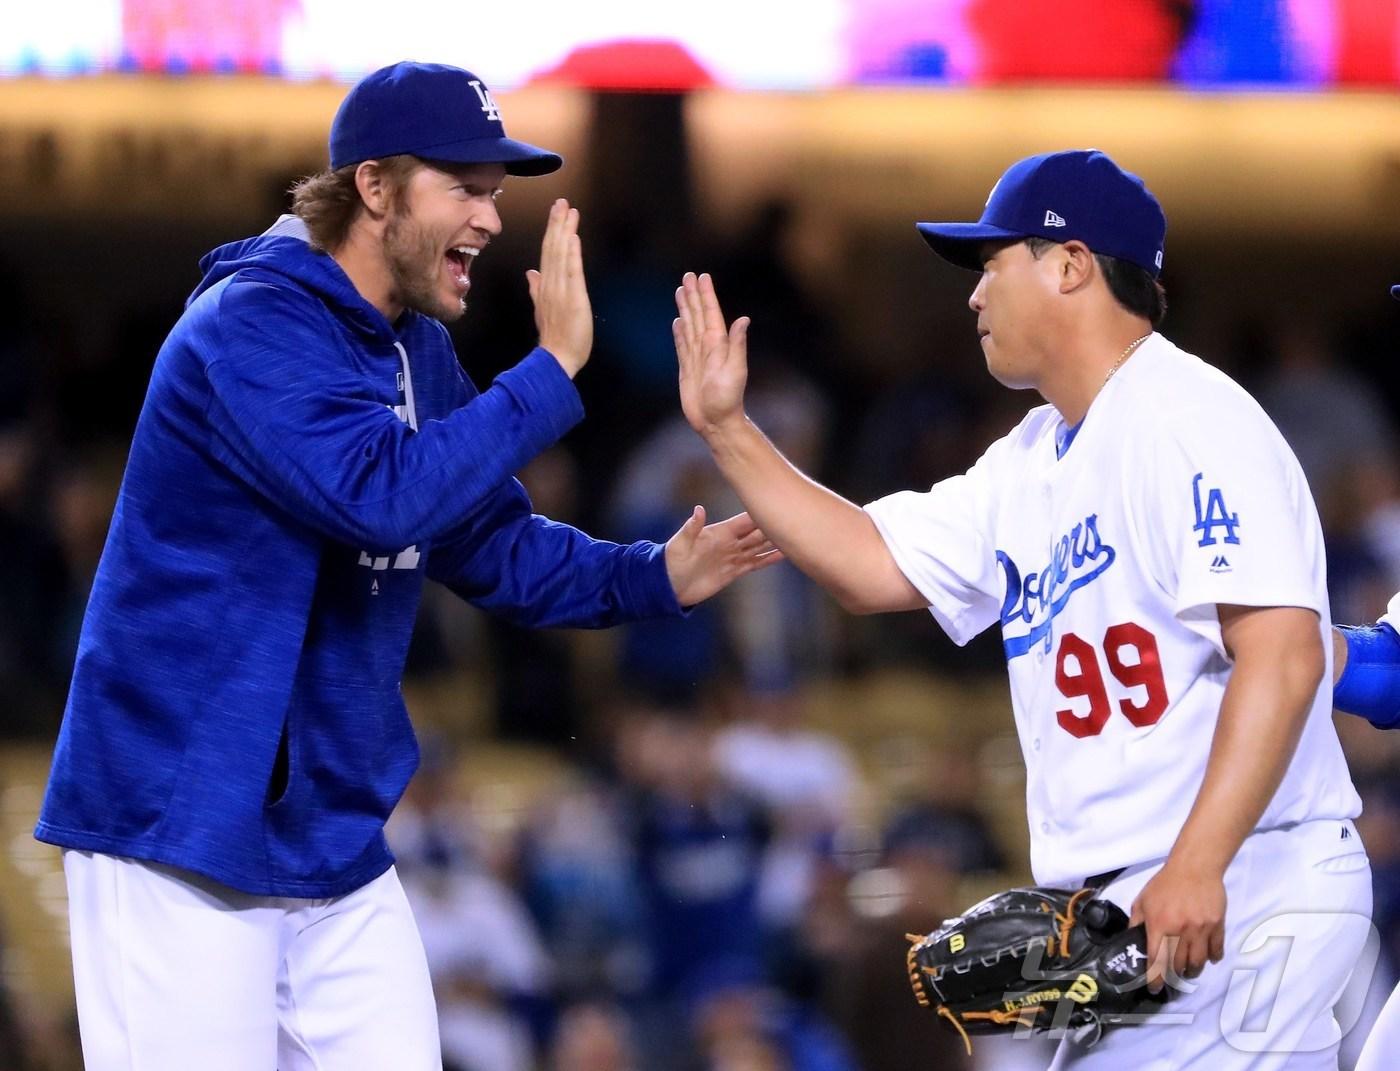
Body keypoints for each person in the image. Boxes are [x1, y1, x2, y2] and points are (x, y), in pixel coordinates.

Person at [35, 60, 780, 1071]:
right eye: (462, 186)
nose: (488, 215)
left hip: (328, 843)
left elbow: (485, 539)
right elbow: (376, 494)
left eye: (494, 190)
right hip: (176, 824)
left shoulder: (411, 348)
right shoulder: (250, 325)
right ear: (374, 187)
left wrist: (649, 577)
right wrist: (548, 370)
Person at [673, 149, 1371, 1067]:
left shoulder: (1188, 416)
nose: (972, 297)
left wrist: (1199, 863)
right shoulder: (1031, 457)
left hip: (1245, 875)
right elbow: (870, 566)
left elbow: (1283, 657)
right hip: (1138, 913)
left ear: (1071, 264)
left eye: (992, 263)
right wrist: (729, 429)